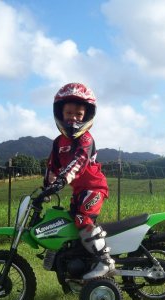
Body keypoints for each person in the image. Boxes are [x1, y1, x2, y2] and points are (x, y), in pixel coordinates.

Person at [44, 82, 115, 280]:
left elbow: (79, 161)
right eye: (69, 113)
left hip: (94, 187)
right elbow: (52, 166)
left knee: (82, 219)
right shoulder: (59, 142)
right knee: (71, 224)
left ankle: (105, 261)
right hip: (79, 191)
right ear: (60, 113)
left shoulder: (86, 139)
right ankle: (80, 263)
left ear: (87, 115)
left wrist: (61, 180)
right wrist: (46, 187)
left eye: (78, 114)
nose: (73, 118)